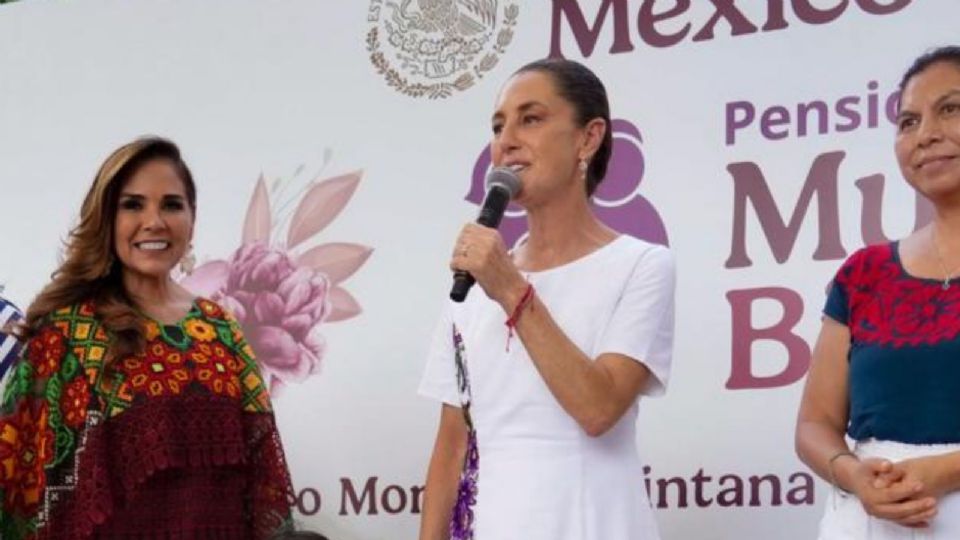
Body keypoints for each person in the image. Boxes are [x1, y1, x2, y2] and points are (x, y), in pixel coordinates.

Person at [418, 58, 676, 540]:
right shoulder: (472, 283)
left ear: (588, 138)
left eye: (531, 119)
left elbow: (598, 409)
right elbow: (452, 443)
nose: (506, 140)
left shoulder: (642, 265)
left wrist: (511, 288)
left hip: (597, 522)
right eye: (498, 125)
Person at [0, 137, 295, 538]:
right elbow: (15, 486)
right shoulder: (66, 335)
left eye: (171, 204)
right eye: (133, 205)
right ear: (107, 218)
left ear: (192, 218)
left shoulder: (220, 329)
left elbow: (263, 484)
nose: (154, 220)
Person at [796, 46, 960, 539]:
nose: (925, 134)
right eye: (908, 121)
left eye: (950, 109)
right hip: (869, 519)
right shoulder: (864, 273)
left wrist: (945, 471)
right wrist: (853, 475)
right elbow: (814, 425)